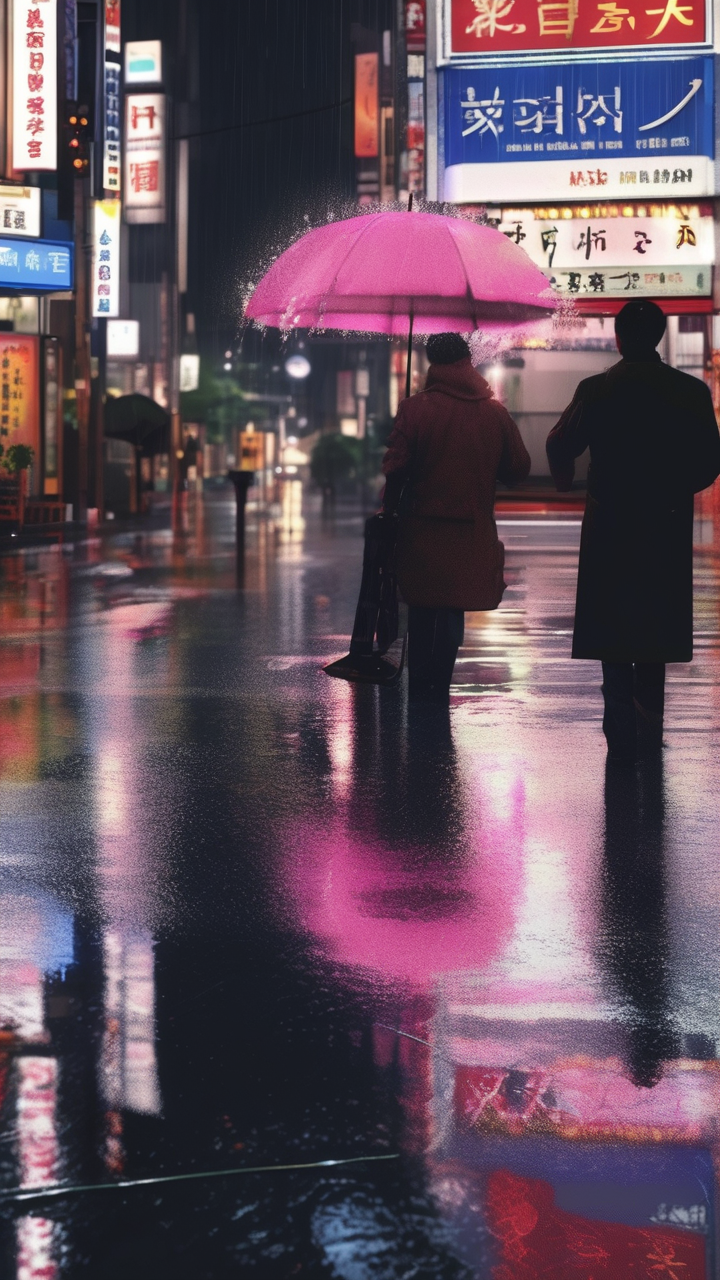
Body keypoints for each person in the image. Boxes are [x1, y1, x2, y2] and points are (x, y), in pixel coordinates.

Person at [546, 300, 720, 760]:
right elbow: (709, 461)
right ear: (659, 337)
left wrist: (566, 484)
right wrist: (675, 489)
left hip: (610, 523)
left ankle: (620, 730)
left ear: (619, 337)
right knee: (655, 631)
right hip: (664, 524)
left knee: (613, 628)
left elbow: (559, 443)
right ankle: (649, 727)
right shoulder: (690, 391)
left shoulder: (596, 389)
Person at [382, 332, 531, 697]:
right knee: (452, 609)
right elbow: (518, 468)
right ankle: (440, 683)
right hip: (472, 527)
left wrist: (390, 508)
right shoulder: (493, 412)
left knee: (422, 607)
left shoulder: (415, 408)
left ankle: (418, 685)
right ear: (468, 360)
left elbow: (396, 468)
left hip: (421, 528)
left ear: (432, 361)